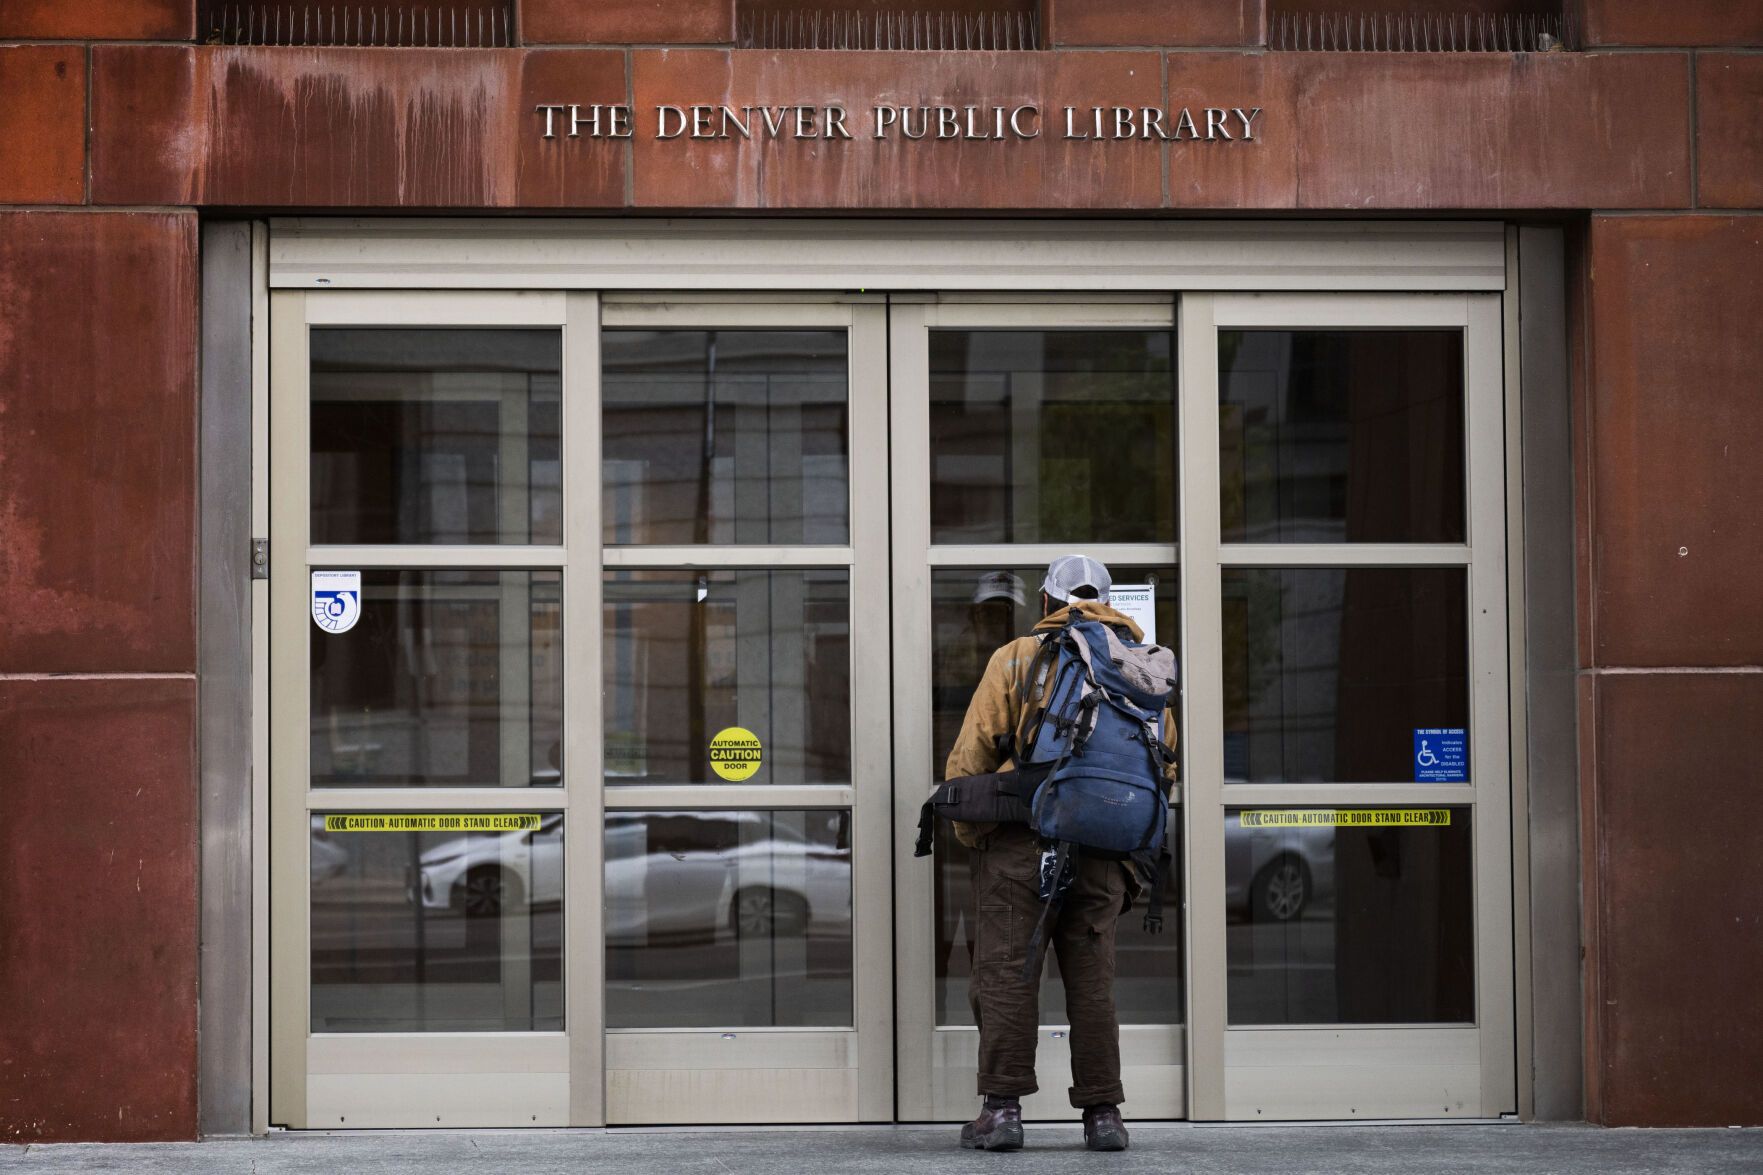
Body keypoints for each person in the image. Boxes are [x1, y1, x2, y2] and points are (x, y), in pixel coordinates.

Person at [942, 554, 1176, 1153]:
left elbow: (970, 758)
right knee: (1093, 982)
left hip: (1023, 847)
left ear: (1046, 603)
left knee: (1008, 974)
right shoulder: (1139, 667)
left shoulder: (1018, 657)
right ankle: (1104, 1116)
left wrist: (979, 838)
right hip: (1105, 851)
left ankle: (1002, 1112)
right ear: (1107, 602)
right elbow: (1165, 761)